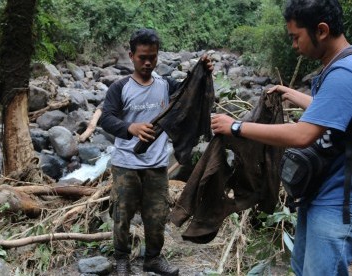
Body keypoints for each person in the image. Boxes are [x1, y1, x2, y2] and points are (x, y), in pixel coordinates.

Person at [210, 0, 352, 275]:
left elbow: (302, 135)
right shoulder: (337, 66)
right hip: (321, 193)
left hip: (338, 202)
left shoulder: (344, 74)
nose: (294, 46)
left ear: (321, 30)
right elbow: (336, 115)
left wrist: (236, 127)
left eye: (296, 37)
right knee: (302, 267)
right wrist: (293, 95)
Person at [99, 28, 213, 276]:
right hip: (126, 164)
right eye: (142, 57)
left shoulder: (166, 86)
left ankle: (153, 258)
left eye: (152, 56)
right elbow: (106, 119)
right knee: (122, 215)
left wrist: (202, 73)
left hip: (157, 164)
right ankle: (122, 259)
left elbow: (188, 95)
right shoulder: (120, 88)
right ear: (131, 56)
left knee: (157, 215)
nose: (148, 62)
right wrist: (131, 127)